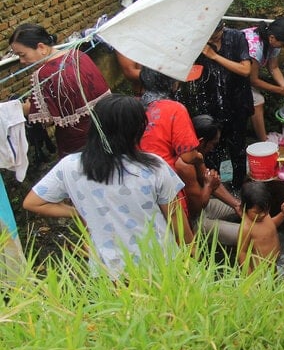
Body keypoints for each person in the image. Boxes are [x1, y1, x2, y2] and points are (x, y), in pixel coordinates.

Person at [22, 94, 192, 279]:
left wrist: (79, 211)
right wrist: (192, 249)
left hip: (108, 269)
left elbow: (33, 203)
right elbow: (174, 215)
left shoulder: (69, 165)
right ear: (137, 130)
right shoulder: (153, 166)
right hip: (159, 263)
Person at [10, 23, 111, 156]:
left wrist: (20, 108)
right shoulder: (78, 54)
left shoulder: (44, 74)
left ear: (41, 47)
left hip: (77, 140)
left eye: (22, 54)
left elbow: (47, 118)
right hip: (108, 126)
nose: (21, 61)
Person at [180, 20, 253, 190]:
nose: (212, 40)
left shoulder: (237, 37)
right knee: (212, 150)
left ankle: (238, 186)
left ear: (222, 27)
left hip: (237, 103)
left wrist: (214, 56)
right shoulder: (198, 42)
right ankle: (213, 185)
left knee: (238, 148)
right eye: (209, 37)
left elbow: (245, 70)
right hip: (210, 105)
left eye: (216, 35)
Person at [139, 66, 209, 221]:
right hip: (165, 181)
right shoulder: (174, 109)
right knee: (178, 234)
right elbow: (188, 156)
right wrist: (200, 159)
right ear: (170, 83)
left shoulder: (134, 106)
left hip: (137, 183)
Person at [179, 114, 244, 246]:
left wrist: (236, 204)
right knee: (249, 235)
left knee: (248, 208)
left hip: (204, 206)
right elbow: (195, 209)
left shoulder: (196, 154)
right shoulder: (185, 165)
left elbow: (208, 179)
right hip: (191, 221)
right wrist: (209, 186)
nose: (213, 148)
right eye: (213, 143)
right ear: (202, 141)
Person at [243, 18, 284, 142]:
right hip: (232, 73)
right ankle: (264, 141)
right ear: (272, 38)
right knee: (258, 101)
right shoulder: (254, 48)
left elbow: (273, 67)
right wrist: (280, 90)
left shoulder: (273, 42)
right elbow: (253, 80)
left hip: (246, 75)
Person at [237, 181, 284, 274]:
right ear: (243, 208)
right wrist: (249, 277)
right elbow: (242, 253)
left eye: (266, 210)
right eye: (257, 212)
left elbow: (271, 225)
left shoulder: (263, 214)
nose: (263, 214)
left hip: (273, 265)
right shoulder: (246, 227)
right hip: (258, 272)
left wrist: (282, 214)